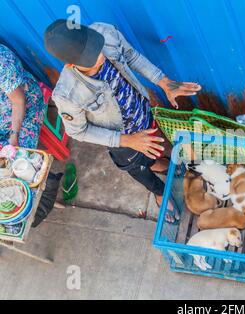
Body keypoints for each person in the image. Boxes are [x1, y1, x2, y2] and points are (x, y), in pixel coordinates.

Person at [44, 20, 201, 220]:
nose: (100, 55)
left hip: (143, 112)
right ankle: (159, 193)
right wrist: (129, 141)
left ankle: (155, 162)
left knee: (152, 148)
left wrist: (165, 82)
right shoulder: (68, 94)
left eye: (96, 45)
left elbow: (131, 56)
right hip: (122, 140)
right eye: (90, 56)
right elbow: (78, 131)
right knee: (137, 167)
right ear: (70, 65)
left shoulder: (105, 32)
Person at [0, 44, 46, 149]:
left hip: (25, 103)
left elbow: (19, 101)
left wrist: (14, 135)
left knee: (19, 156)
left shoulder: (2, 62)